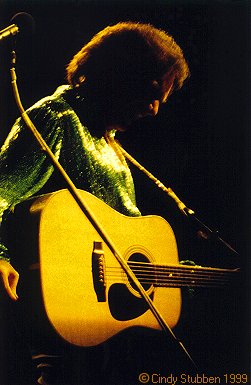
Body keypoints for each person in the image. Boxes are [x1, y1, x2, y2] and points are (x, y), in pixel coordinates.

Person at [0, 21, 189, 384]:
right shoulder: (57, 118)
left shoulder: (112, 147)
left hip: (109, 335)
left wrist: (188, 276)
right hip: (64, 326)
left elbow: (127, 244)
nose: (154, 110)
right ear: (116, 73)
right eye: (151, 93)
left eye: (162, 99)